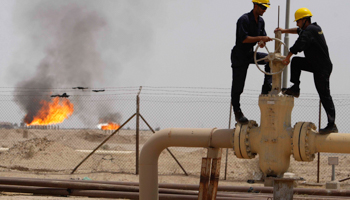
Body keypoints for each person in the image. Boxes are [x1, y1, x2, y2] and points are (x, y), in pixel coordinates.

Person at [275, 7, 338, 134]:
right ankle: (295, 88)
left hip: (322, 67)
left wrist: (287, 57)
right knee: (297, 62)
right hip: (315, 64)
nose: (297, 24)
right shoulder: (312, 29)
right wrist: (284, 30)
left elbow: (298, 44)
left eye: (298, 21)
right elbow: (298, 31)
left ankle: (332, 125)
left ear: (304, 20)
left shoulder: (310, 31)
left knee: (324, 94)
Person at [231, 0, 272, 124]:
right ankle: (237, 112)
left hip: (250, 54)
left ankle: (266, 88)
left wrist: (262, 42)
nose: (265, 10)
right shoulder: (244, 19)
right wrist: (260, 38)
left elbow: (262, 38)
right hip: (239, 55)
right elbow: (243, 39)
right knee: (238, 86)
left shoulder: (260, 21)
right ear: (255, 6)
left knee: (271, 59)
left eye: (266, 8)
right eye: (263, 7)